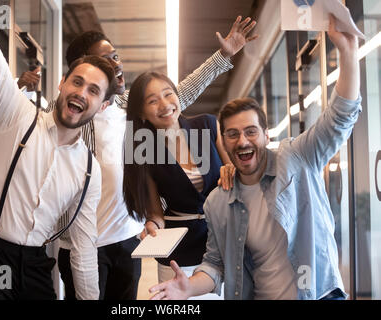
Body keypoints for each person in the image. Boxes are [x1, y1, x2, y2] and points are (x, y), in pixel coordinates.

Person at [148, 15, 361, 300]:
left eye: (251, 131)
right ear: (222, 140)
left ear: (266, 135)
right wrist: (189, 286)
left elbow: (339, 119)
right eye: (232, 134)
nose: (243, 141)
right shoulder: (218, 202)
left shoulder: (296, 158)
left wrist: (347, 52)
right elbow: (215, 263)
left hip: (318, 294)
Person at [44, 16, 257, 300]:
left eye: (115, 56)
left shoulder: (128, 110)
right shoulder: (67, 114)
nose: (116, 64)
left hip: (125, 239)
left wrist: (224, 55)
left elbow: (177, 94)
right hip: (80, 243)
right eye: (106, 60)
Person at [0, 0, 116, 300]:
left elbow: (83, 249)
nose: (82, 92)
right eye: (77, 82)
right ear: (61, 83)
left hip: (35, 265)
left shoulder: (89, 171)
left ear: (103, 105)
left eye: (93, 91)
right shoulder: (17, 114)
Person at [122, 67, 236, 300]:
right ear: (142, 113)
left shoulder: (207, 125)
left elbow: (236, 171)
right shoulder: (145, 152)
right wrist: (153, 225)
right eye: (152, 100)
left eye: (168, 93)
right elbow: (156, 212)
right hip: (179, 252)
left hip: (223, 242)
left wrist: (231, 170)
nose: (164, 104)